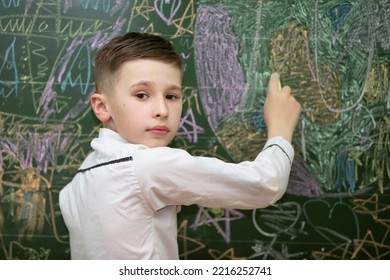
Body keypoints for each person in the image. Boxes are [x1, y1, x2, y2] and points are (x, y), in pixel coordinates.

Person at [59, 32, 301, 260]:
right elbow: (266, 184)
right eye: (142, 95)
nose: (162, 111)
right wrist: (280, 129)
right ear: (102, 107)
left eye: (171, 96)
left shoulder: (77, 184)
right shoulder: (147, 166)